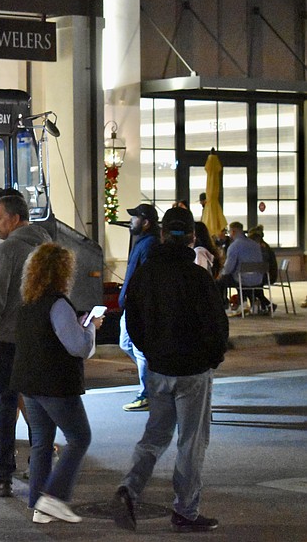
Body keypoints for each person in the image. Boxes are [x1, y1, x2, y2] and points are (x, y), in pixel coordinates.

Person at [112, 206, 228, 533]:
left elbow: (132, 323)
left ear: (162, 235)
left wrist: (150, 351)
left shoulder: (145, 275)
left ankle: (129, 489)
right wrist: (212, 358)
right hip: (193, 371)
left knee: (155, 436)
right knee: (191, 442)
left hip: (158, 368)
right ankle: (185, 511)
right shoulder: (197, 277)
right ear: (192, 237)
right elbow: (217, 326)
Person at [11, 242, 103, 524]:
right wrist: (90, 327)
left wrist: (76, 323)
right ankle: (53, 497)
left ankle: (38, 504)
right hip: (55, 384)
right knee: (79, 438)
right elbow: (77, 346)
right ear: (63, 271)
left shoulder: (29, 302)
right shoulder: (58, 303)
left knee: (41, 442)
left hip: (29, 382)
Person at [0, 194, 51, 499]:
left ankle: (4, 474)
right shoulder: (48, 245)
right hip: (40, 339)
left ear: (14, 218)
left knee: (6, 405)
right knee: (37, 405)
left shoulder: (7, 249)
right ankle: (40, 470)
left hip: (8, 338)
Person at [119, 203, 159, 413]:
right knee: (126, 344)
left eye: (135, 218)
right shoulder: (142, 242)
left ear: (145, 223)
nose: (130, 221)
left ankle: (147, 393)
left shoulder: (150, 244)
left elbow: (145, 278)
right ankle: (154, 381)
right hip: (130, 305)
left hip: (138, 307)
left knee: (139, 350)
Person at [215, 221, 264, 313]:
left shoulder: (234, 246)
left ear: (233, 232)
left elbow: (228, 268)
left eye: (229, 232)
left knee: (221, 280)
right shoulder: (255, 245)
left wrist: (220, 274)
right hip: (258, 279)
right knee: (240, 276)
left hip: (243, 279)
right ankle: (246, 302)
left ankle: (225, 306)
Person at [247, 225, 277, 313]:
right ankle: (264, 304)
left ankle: (261, 304)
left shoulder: (261, 248)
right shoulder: (264, 246)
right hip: (265, 273)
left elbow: (261, 264)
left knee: (248, 285)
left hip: (267, 275)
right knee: (252, 285)